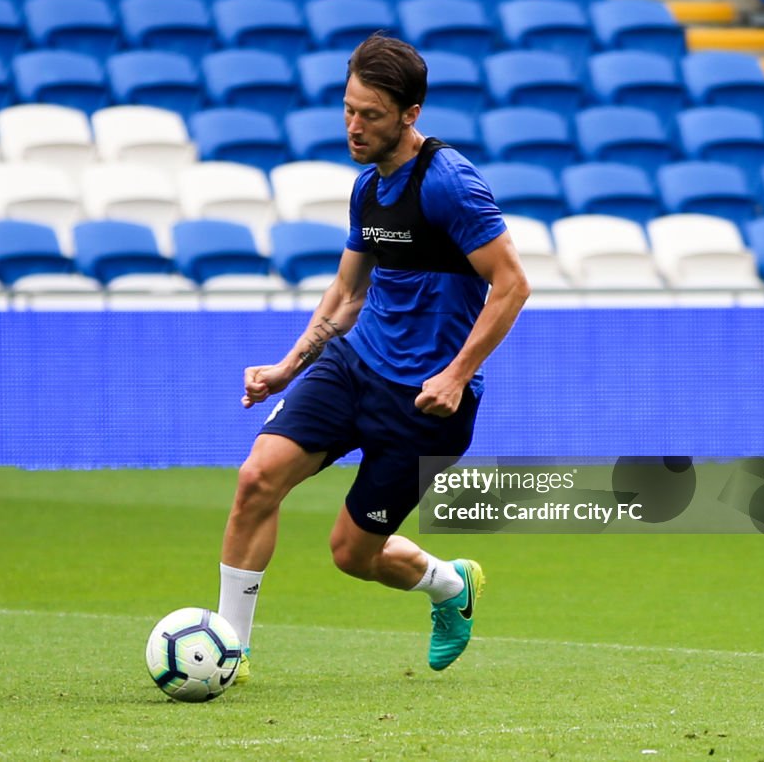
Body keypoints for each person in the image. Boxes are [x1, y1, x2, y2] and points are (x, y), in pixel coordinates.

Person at [217, 34, 530, 681]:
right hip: (354, 366)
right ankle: (231, 650)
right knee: (256, 479)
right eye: (349, 109)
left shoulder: (450, 186)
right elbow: (348, 292)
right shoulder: (368, 189)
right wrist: (286, 366)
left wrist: (456, 373)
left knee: (352, 555)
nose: (354, 126)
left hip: (425, 404)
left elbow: (512, 284)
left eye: (372, 115)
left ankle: (449, 585)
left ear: (410, 114)